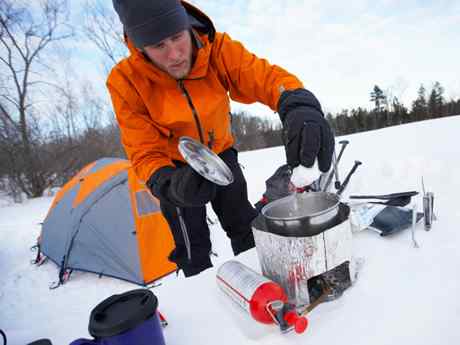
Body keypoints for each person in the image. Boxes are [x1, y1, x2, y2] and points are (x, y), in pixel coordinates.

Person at [108, 0, 334, 277]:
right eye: (158, 46)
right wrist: (166, 183)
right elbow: (142, 149)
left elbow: (264, 78)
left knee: (244, 225)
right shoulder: (125, 80)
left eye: (177, 37)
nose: (175, 54)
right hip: (175, 171)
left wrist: (297, 102)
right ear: (140, 46)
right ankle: (205, 300)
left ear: (185, 25)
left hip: (222, 154)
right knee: (192, 247)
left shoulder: (216, 49)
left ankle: (264, 280)